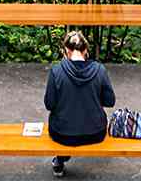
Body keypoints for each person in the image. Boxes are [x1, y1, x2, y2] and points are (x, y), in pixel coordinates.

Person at [44, 30, 115, 177]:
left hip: (62, 134)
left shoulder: (56, 71)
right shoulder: (99, 70)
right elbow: (110, 101)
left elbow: (49, 104)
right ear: (86, 50)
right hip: (95, 133)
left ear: (66, 50)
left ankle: (60, 160)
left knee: (62, 122)